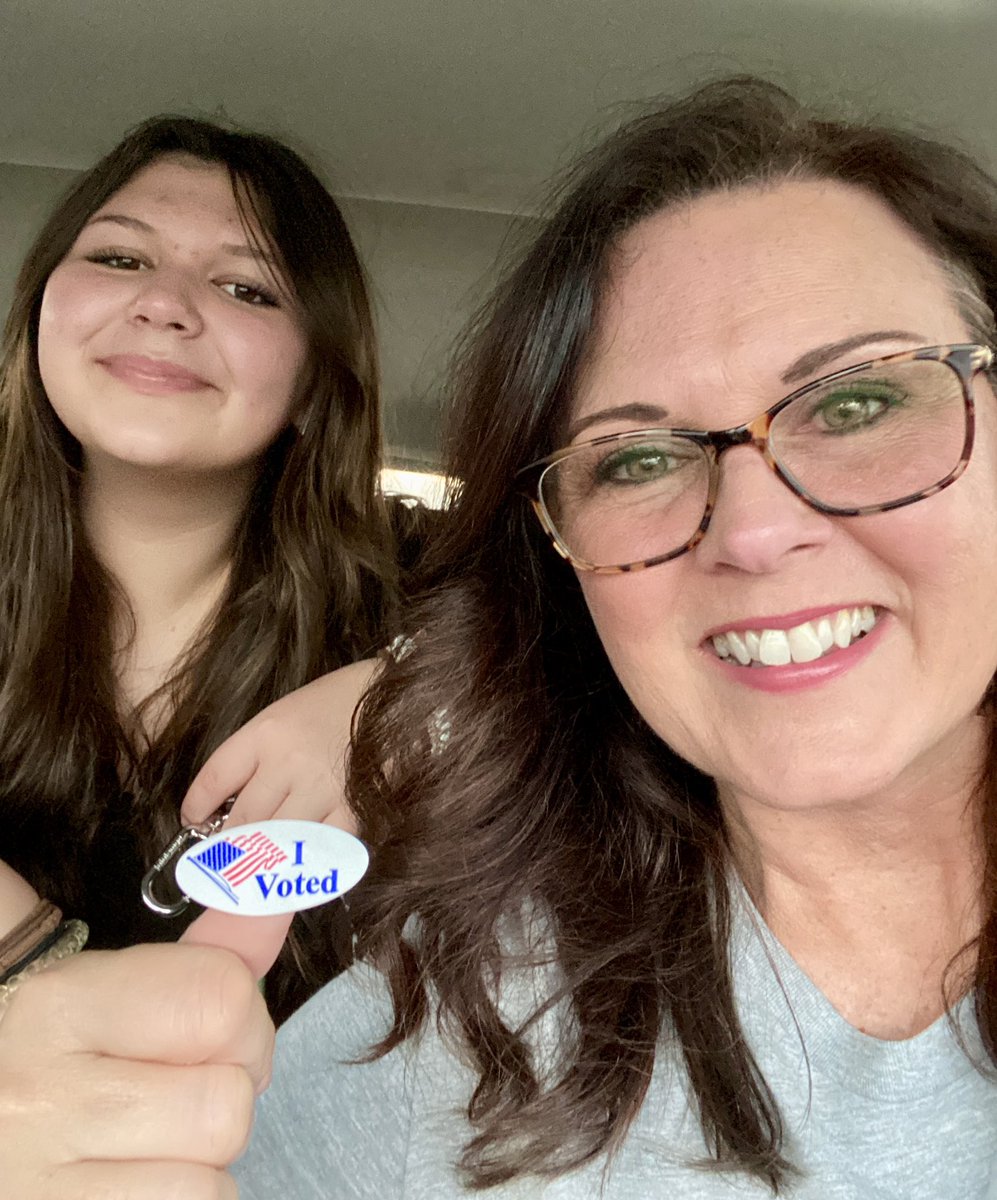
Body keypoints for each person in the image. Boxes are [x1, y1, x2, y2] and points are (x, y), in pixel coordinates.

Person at [231, 77, 997, 1197]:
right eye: (634, 460)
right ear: (556, 560)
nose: (754, 530)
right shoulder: (434, 1055)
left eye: (856, 403)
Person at [0, 113, 392, 1022]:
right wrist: (33, 970)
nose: (165, 303)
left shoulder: (427, 599)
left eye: (246, 288)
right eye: (121, 260)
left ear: (312, 384)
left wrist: (406, 705)